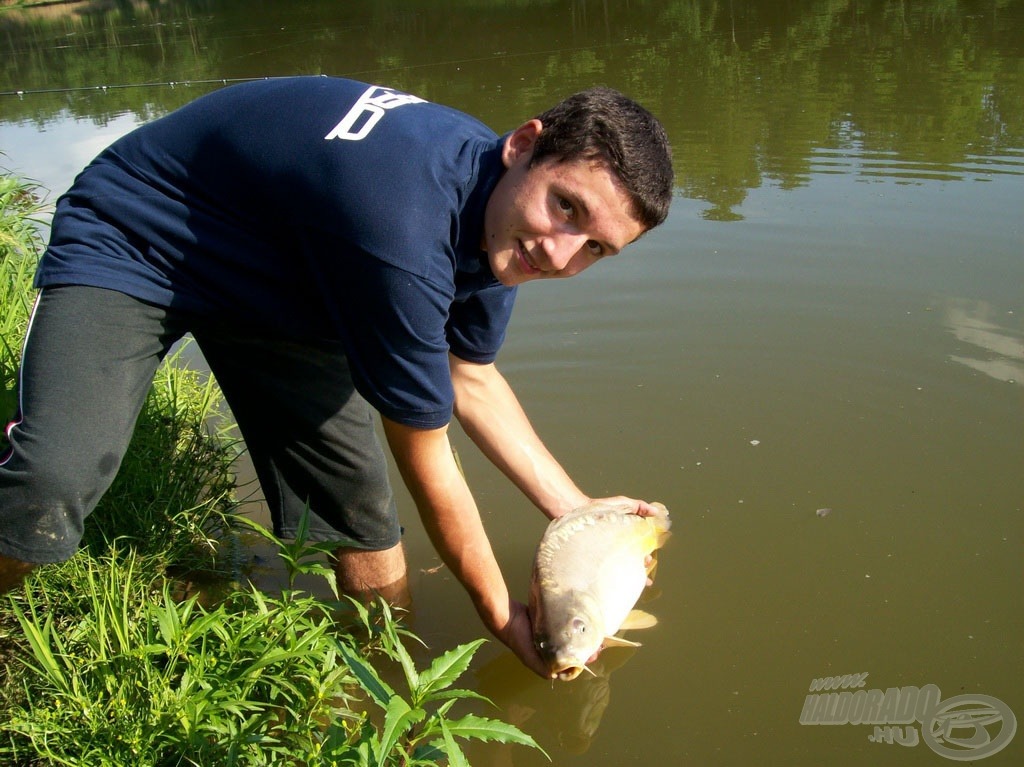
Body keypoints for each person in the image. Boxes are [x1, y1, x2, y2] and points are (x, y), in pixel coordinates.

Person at [0, 76, 673, 677]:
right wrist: (502, 616)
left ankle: (383, 689)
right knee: (51, 478)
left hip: (286, 276)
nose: (560, 254)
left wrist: (580, 512)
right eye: (566, 208)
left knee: (363, 524)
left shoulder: (505, 226)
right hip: (143, 234)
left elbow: (469, 376)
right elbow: (429, 459)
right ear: (523, 146)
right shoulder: (405, 228)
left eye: (595, 248)